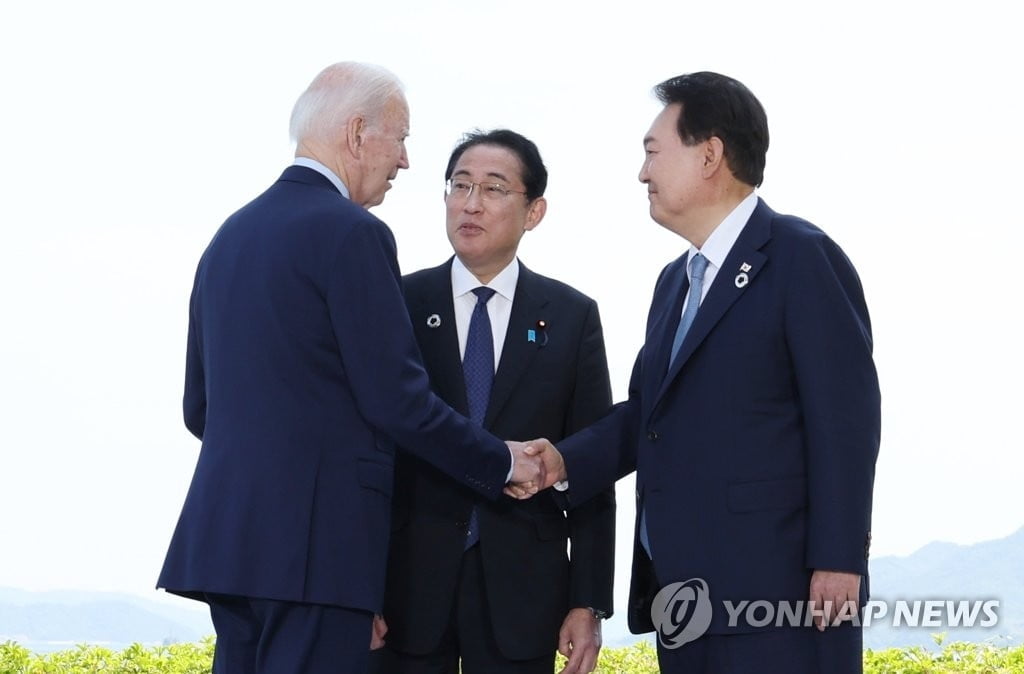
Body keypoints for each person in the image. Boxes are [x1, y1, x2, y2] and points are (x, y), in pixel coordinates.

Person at [156, 62, 546, 674]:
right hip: (317, 553)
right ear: (359, 133)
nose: (406, 162)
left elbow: (199, 408)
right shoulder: (353, 233)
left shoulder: (229, 236)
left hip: (228, 548)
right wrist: (501, 460)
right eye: (403, 138)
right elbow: (397, 401)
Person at [520, 72, 881, 673]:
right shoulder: (673, 283)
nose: (642, 172)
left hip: (780, 594)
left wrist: (840, 559)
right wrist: (562, 461)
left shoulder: (798, 255)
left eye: (653, 151)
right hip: (685, 602)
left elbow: (845, 420)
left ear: (710, 154)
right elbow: (647, 414)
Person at [372, 129, 616, 674]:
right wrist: (358, 586)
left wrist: (588, 601)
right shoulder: (399, 302)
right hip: (404, 589)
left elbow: (592, 462)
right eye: (459, 186)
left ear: (534, 211)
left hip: (524, 594)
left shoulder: (573, 317)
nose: (471, 203)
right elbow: (369, 450)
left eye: (494, 188)